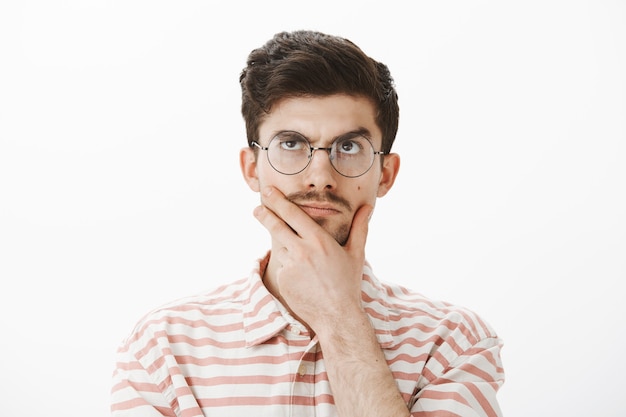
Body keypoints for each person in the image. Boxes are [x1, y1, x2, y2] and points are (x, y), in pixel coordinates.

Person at [110, 30, 505, 417]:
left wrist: (339, 316)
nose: (320, 176)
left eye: (348, 147)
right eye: (291, 144)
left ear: (385, 174)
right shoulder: (162, 348)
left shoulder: (453, 343)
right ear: (252, 168)